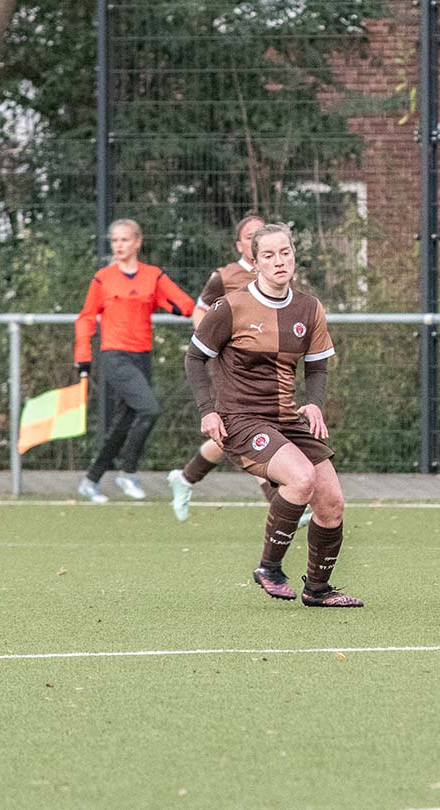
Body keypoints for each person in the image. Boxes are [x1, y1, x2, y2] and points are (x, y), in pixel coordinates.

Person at [185, 222, 361, 607]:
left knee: (331, 504)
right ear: (255, 263)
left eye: (285, 253)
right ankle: (269, 568)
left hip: (287, 419)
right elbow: (195, 357)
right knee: (300, 479)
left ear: (294, 257)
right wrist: (207, 411)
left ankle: (318, 589)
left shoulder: (309, 308)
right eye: (268, 255)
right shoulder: (231, 307)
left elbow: (317, 365)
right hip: (243, 420)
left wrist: (314, 402)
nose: (279, 261)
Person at [165, 213, 310, 528]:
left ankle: (186, 478)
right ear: (241, 245)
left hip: (270, 367)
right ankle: (282, 502)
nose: (257, 240)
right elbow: (200, 310)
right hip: (233, 365)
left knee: (234, 434)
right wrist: (212, 340)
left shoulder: (280, 272)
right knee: (252, 428)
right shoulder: (225, 276)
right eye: (249, 236)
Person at [74, 219, 195, 503]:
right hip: (115, 356)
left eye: (124, 240)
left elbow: (185, 304)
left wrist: (169, 305)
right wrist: (83, 356)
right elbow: (86, 318)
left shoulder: (153, 276)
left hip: (142, 356)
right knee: (149, 409)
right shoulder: (103, 278)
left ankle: (90, 480)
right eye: (115, 240)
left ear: (138, 242)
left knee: (123, 422)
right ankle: (128, 473)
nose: (119, 245)